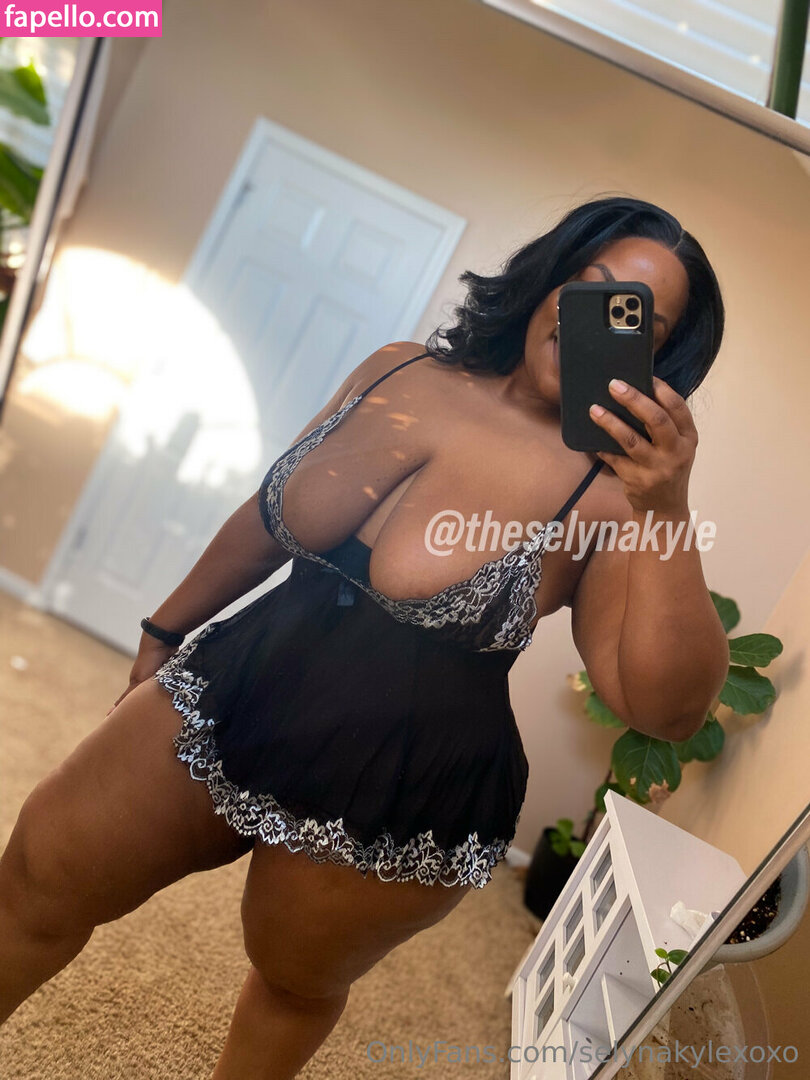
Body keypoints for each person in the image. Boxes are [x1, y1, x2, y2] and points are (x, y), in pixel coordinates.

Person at [0, 195, 730, 1078]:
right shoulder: (398, 369)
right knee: (37, 873)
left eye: (634, 317)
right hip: (244, 678)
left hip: (405, 780)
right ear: (549, 280)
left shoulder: (613, 496)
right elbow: (269, 517)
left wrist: (667, 506)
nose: (595, 317)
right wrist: (166, 629)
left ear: (656, 357)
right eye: (590, 283)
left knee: (292, 982)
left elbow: (666, 711)